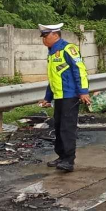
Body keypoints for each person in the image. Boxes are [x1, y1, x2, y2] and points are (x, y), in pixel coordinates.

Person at [36, 24, 90, 172]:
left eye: (46, 36)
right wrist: (48, 97)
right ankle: (61, 156)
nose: (44, 40)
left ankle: (69, 161)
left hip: (70, 95)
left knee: (67, 129)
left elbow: (80, 70)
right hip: (59, 96)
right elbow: (53, 78)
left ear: (55, 34)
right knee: (58, 127)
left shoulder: (68, 49)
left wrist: (83, 91)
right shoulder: (52, 53)